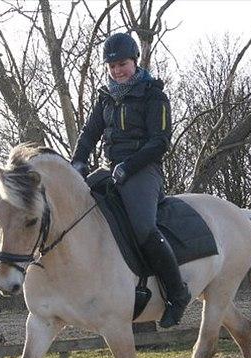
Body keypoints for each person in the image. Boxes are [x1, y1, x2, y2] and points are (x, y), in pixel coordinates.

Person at [71, 32, 191, 328]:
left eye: (122, 64)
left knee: (142, 227)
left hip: (143, 170)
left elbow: (160, 142)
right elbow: (89, 134)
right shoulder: (105, 99)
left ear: (135, 61)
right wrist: (78, 161)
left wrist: (129, 165)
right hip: (113, 169)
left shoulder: (154, 95)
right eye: (111, 66)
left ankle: (177, 293)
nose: (117, 71)